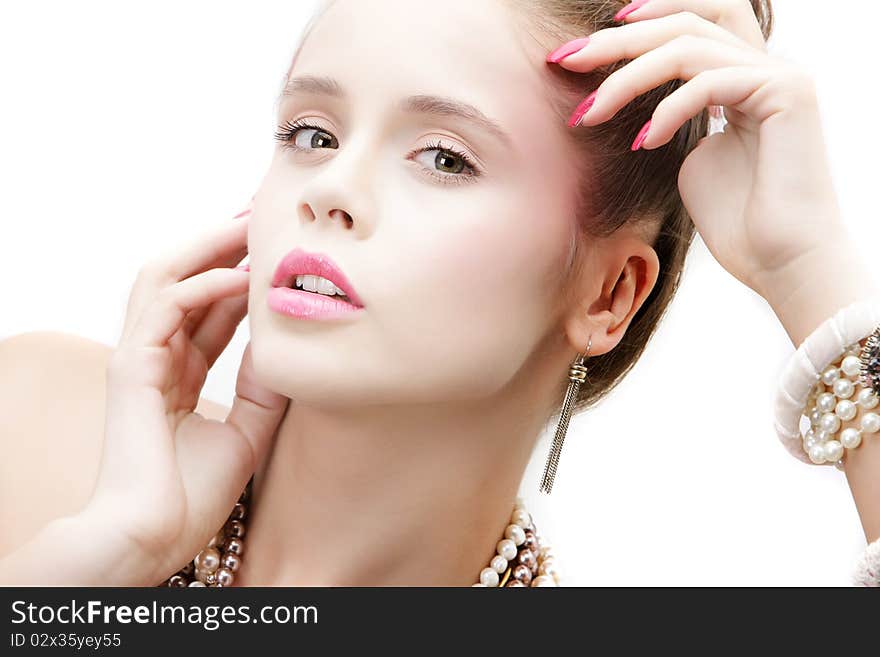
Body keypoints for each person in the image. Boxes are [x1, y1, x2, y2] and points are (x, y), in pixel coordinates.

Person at [1, 0, 878, 587]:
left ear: (612, 292)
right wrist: (105, 560)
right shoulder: (32, 421)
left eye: (445, 157)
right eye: (312, 132)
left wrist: (809, 270)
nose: (330, 189)